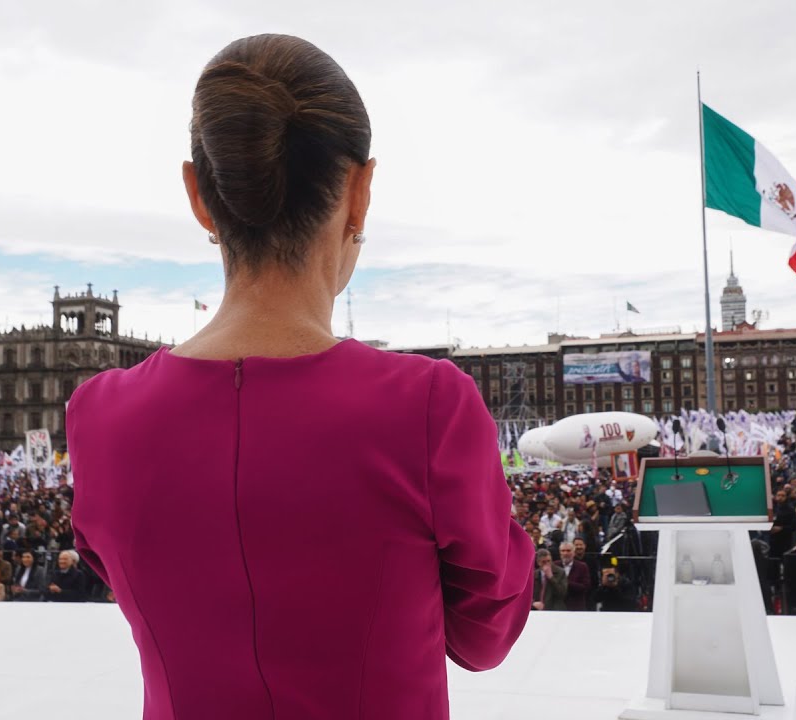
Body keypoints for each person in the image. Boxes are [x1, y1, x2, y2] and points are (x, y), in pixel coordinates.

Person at [67, 34, 532, 720]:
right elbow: (486, 636)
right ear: (359, 193)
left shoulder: (99, 416)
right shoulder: (429, 406)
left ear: (200, 195)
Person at [556, 541, 591, 611]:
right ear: (560, 553)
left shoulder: (582, 567)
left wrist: (565, 583)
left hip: (576, 606)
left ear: (574, 552)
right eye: (563, 551)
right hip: (558, 607)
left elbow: (585, 586)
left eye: (568, 551)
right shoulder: (554, 565)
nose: (565, 553)